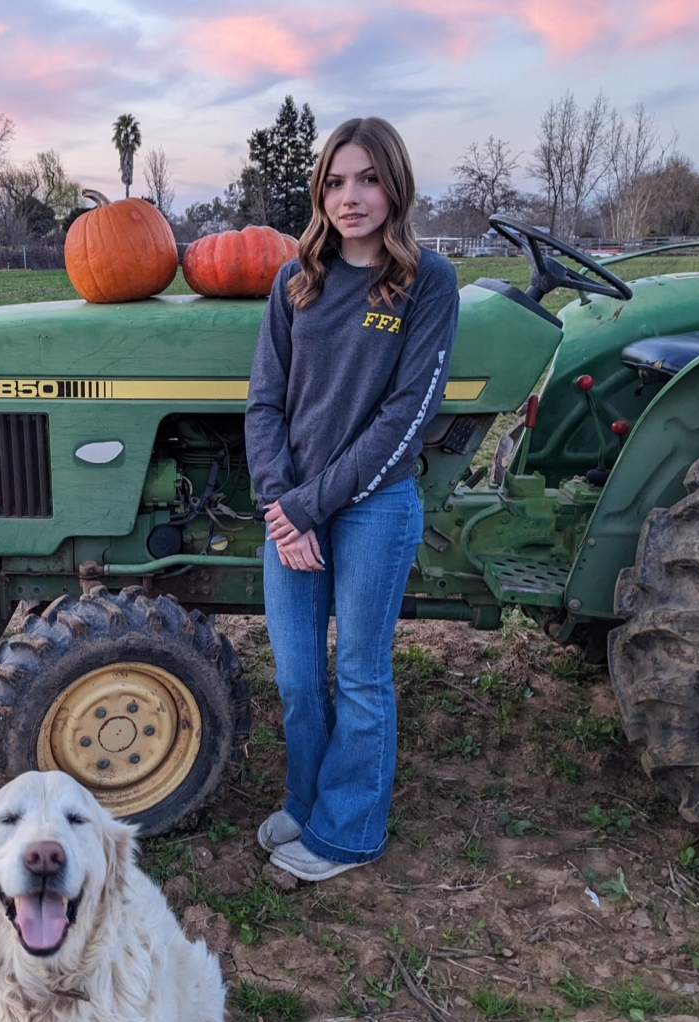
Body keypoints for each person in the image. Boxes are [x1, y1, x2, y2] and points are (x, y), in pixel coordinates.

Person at [244, 116, 460, 882]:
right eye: (335, 182)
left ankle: (349, 835)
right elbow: (264, 402)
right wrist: (281, 502)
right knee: (300, 678)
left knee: (361, 676)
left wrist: (307, 507)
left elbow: (406, 418)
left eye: (367, 178)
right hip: (292, 508)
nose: (351, 196)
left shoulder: (426, 282)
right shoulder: (293, 278)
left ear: (394, 185)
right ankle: (307, 803)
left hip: (372, 507)